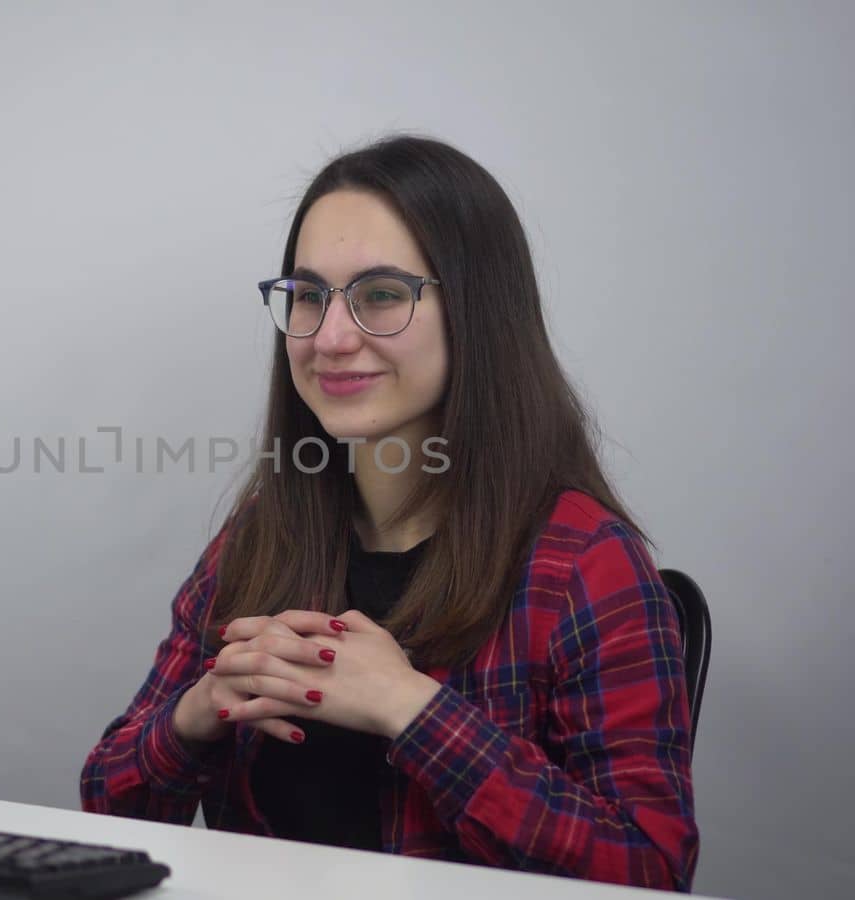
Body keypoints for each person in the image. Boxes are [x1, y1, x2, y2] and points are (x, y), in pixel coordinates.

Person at [79, 134, 698, 891]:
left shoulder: (583, 560)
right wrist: (196, 715)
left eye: (380, 294)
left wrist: (410, 708)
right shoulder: (261, 538)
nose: (331, 339)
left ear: (478, 309)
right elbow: (101, 809)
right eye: (309, 297)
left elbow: (649, 871)